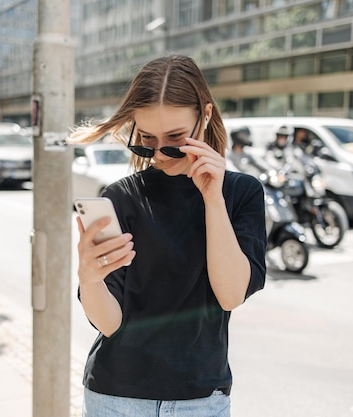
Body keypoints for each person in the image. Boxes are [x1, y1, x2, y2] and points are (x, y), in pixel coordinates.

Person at [68, 55, 267, 417]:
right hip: (115, 398)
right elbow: (110, 324)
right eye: (147, 140)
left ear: (205, 116)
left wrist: (212, 198)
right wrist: (89, 277)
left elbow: (230, 294)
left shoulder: (243, 193)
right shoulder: (121, 197)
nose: (159, 154)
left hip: (201, 400)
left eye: (175, 139)